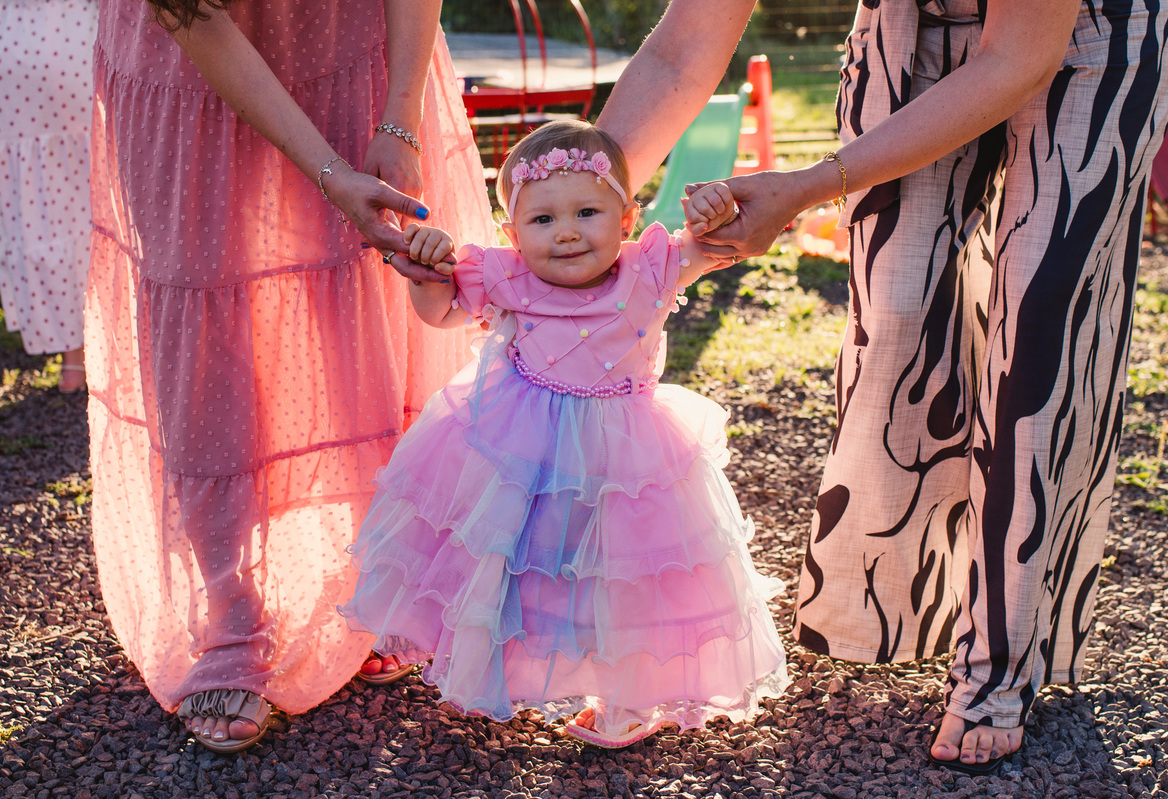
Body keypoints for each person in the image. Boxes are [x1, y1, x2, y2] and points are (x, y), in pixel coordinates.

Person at [621, 0, 1168, 776]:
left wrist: (809, 186)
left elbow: (1016, 58)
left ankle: (1000, 660)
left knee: (1039, 336)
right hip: (910, 33)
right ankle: (903, 601)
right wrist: (587, 189)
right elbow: (683, 48)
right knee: (900, 313)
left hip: (1088, 40)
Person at [86, 0, 494, 752]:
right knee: (207, 306)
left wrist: (399, 115)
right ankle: (231, 608)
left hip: (358, 37)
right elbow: (191, 14)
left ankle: (385, 580)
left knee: (375, 286)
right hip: (191, 53)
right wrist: (330, 173)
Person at [339, 120, 789, 749]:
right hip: (526, 450)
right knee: (523, 567)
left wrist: (715, 213)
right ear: (512, 235)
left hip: (624, 455)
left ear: (627, 217)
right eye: (543, 220)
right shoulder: (505, 277)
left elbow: (726, 243)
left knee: (621, 576)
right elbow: (440, 312)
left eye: (587, 212)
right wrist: (429, 271)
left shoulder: (653, 268)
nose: (568, 231)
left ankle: (625, 699)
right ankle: (502, 668)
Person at [0, 0, 97, 392]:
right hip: (63, 27)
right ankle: (96, 346)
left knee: (37, 195)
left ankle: (71, 354)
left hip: (1, 32)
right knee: (81, 183)